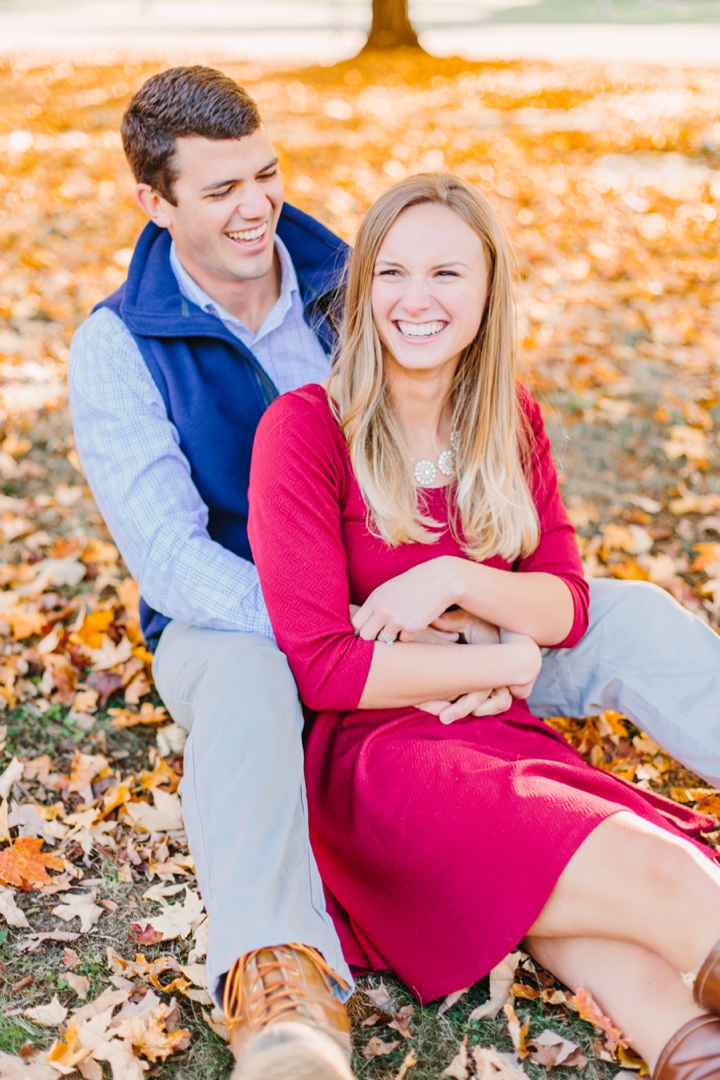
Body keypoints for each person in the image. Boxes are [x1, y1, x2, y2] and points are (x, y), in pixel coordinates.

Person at [67, 65, 720, 1080]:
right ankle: (278, 974)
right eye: (219, 190)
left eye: (265, 176)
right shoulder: (118, 345)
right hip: (254, 616)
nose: (256, 209)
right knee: (249, 673)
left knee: (623, 614)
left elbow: (488, 480)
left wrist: (464, 611)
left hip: (421, 600)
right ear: (153, 202)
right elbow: (174, 560)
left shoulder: (353, 271)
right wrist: (359, 620)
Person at [248, 173, 720, 1080]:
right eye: (391, 272)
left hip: (500, 727)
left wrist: (453, 578)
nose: (414, 300)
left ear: (488, 292)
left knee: (622, 947)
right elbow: (324, 667)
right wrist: (504, 653)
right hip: (381, 762)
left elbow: (567, 603)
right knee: (664, 880)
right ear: (363, 289)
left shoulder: (508, 421)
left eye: (446, 274)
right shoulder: (306, 430)